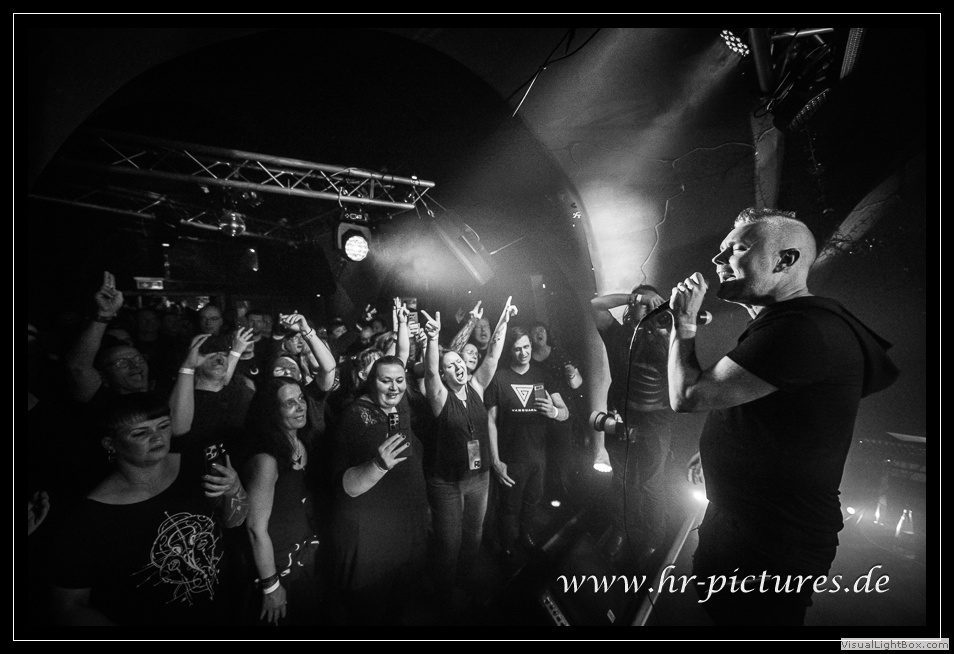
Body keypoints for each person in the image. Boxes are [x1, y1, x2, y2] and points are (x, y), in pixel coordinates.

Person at [667, 208, 899, 626]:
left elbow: (687, 395)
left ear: (784, 260)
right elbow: (773, 406)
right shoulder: (787, 323)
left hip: (771, 542)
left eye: (737, 249)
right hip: (746, 523)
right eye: (720, 250)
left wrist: (683, 323)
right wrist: (719, 451)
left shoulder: (803, 330)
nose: (718, 260)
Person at [49, 392, 250, 626]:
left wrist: (234, 490)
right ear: (110, 444)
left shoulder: (194, 465)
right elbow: (68, 606)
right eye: (140, 433)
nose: (157, 437)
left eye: (163, 426)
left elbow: (233, 521)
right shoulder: (88, 517)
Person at [419, 297, 517, 615]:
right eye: (450, 366)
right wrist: (433, 339)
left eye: (459, 362)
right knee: (449, 543)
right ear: (444, 375)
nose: (458, 366)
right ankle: (444, 594)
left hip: (479, 478)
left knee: (473, 536)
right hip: (446, 482)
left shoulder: (476, 386)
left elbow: (493, 354)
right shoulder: (438, 397)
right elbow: (430, 370)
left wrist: (504, 321)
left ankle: (462, 582)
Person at [330, 355, 428, 625]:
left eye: (399, 380)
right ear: (371, 381)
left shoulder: (397, 408)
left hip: (404, 532)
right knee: (370, 611)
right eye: (386, 380)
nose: (394, 387)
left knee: (396, 606)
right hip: (374, 542)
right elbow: (345, 486)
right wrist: (378, 465)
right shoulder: (355, 417)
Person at [590, 283, 676, 569]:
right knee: (622, 481)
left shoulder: (669, 335)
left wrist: (666, 322)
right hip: (623, 417)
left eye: (654, 304)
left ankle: (654, 538)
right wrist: (636, 297)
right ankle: (620, 530)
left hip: (656, 422)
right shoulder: (618, 335)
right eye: (642, 304)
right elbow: (596, 305)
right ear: (631, 307)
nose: (648, 308)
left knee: (652, 483)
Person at [243, 377, 324, 626]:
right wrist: (271, 585)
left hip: (305, 558)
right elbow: (255, 528)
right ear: (272, 411)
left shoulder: (304, 442)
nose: (300, 407)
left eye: (301, 399)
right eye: (289, 403)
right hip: (279, 567)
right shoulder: (266, 461)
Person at [486, 325, 570, 563]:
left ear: (531, 346)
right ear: (510, 351)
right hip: (510, 457)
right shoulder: (500, 378)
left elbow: (565, 412)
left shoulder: (543, 376)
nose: (523, 353)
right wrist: (495, 460)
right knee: (508, 507)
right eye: (517, 348)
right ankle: (507, 545)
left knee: (533, 501)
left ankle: (525, 536)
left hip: (537, 457)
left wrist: (554, 411)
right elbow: (490, 422)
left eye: (526, 347)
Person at [529, 320, 584, 501]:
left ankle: (566, 498)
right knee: (544, 458)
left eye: (542, 330)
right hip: (538, 414)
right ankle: (546, 499)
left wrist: (572, 374)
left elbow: (577, 384)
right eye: (535, 330)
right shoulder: (527, 358)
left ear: (547, 333)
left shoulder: (559, 353)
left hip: (563, 412)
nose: (539, 333)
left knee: (563, 458)